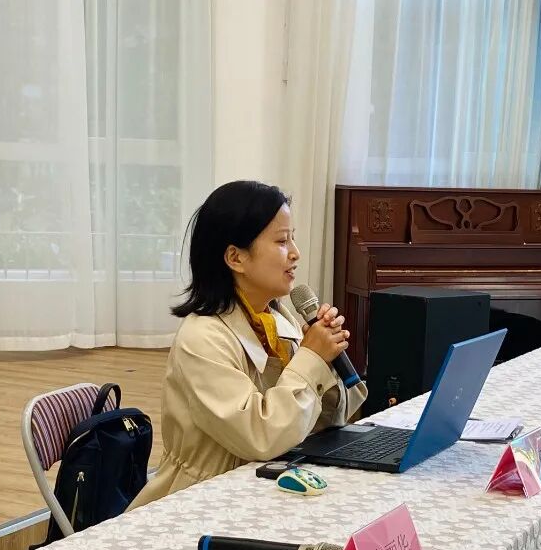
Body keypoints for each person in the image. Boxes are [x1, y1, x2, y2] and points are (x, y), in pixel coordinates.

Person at [127, 180, 367, 509]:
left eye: (293, 238)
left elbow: (320, 424)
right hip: (201, 498)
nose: (295, 253)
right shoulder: (202, 338)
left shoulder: (280, 318)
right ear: (235, 257)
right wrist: (311, 358)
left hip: (268, 484)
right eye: (282, 241)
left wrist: (327, 360)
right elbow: (261, 436)